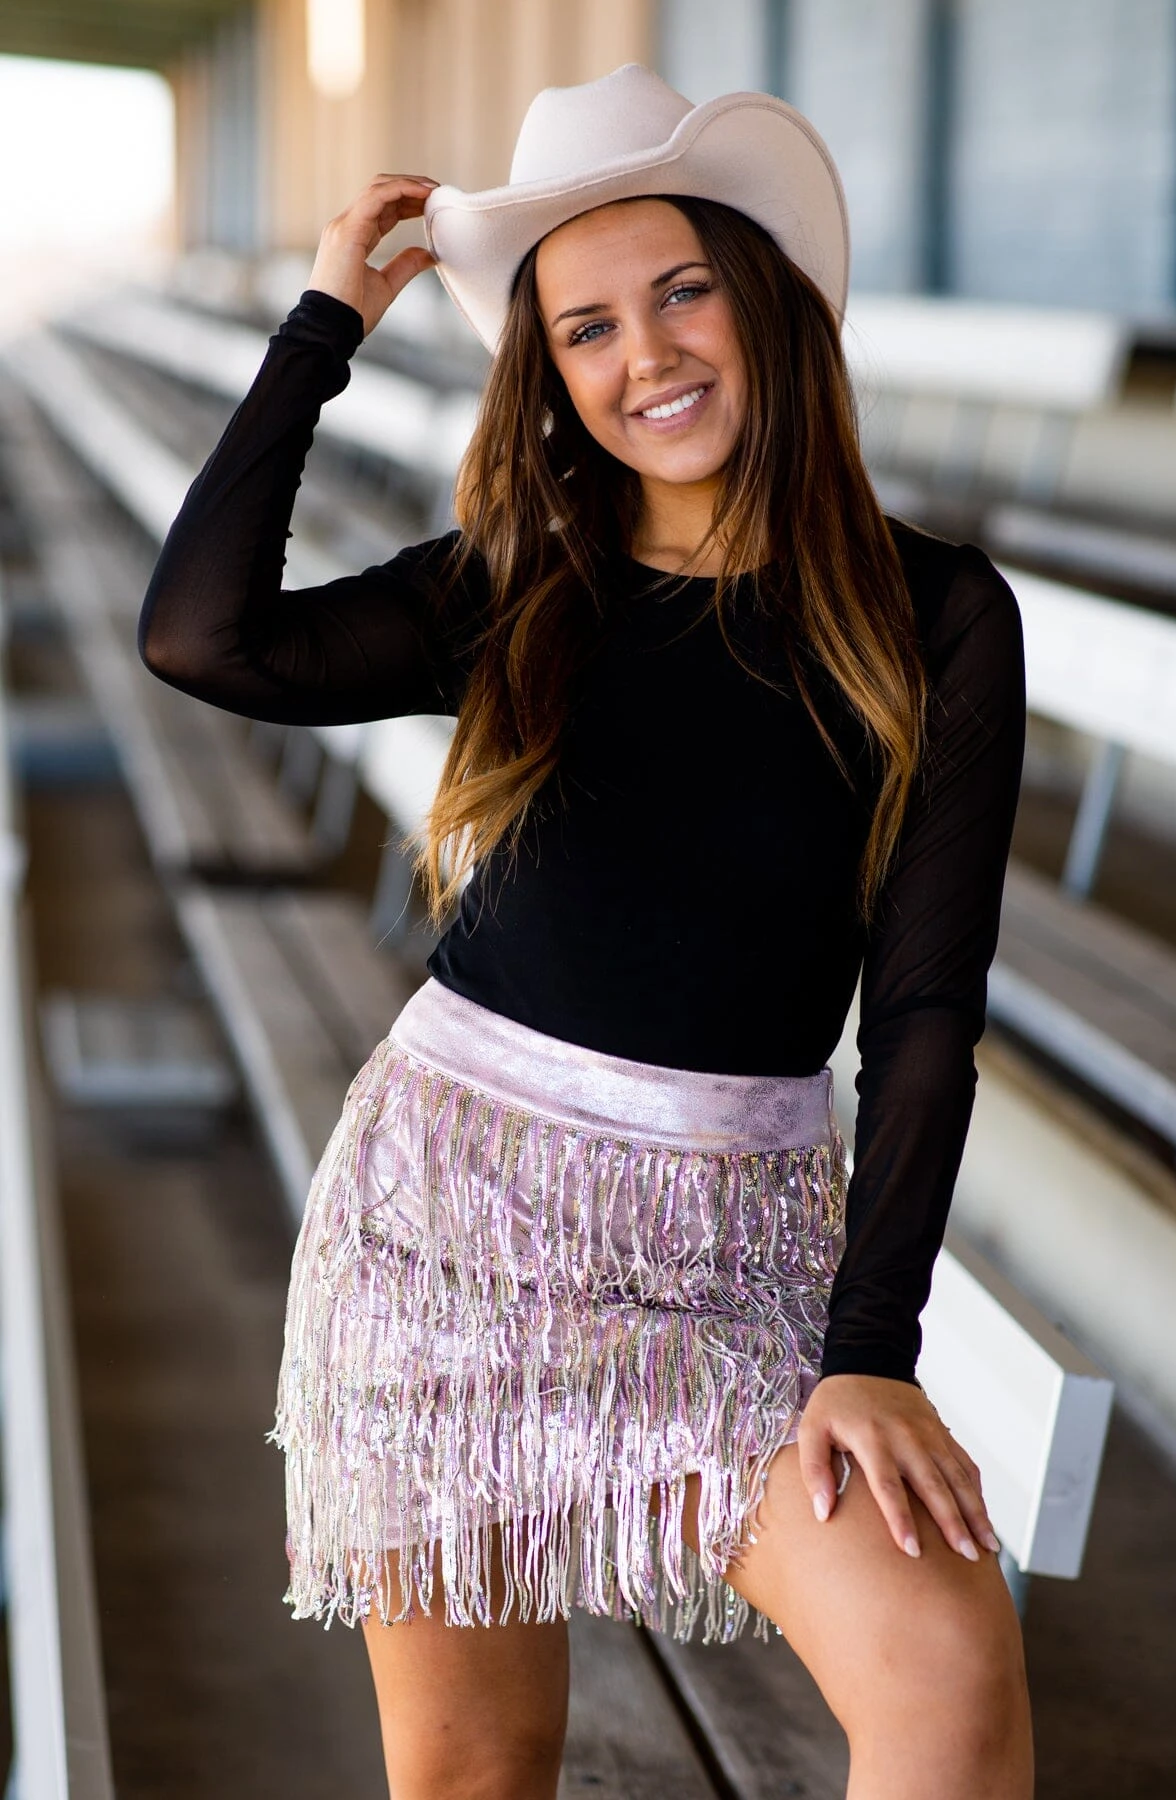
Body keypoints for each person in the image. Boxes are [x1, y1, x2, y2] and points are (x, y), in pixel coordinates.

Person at [138, 61, 1032, 1800]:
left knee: (943, 1665)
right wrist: (324, 323)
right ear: (548, 373)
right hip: (437, 1229)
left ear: (765, 297)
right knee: (475, 1775)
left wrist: (871, 1354)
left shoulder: (933, 615)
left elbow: (925, 1013)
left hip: (732, 1256)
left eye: (684, 291)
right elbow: (204, 638)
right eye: (587, 330)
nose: (649, 358)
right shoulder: (517, 576)